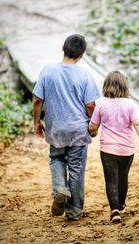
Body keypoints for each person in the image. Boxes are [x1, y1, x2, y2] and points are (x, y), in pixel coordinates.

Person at [33, 34, 100, 221]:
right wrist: (93, 125)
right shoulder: (85, 75)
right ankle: (73, 211)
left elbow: (38, 99)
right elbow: (90, 106)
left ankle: (60, 189)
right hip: (78, 130)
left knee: (56, 159)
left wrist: (37, 122)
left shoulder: (48, 70)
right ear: (82, 55)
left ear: (63, 48)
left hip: (56, 129)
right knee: (77, 167)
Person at [89, 71, 139, 223]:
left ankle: (114, 210)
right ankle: (121, 205)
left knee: (111, 180)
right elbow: (137, 123)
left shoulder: (101, 104)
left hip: (108, 149)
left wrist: (92, 132)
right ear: (124, 86)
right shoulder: (131, 104)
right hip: (127, 149)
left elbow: (93, 127)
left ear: (106, 86)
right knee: (123, 178)